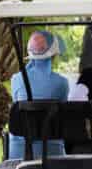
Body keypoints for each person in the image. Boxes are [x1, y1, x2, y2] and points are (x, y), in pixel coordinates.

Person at [8, 30, 70, 159]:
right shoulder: (62, 83)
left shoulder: (16, 79)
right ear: (53, 54)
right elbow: (61, 114)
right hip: (52, 151)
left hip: (19, 152)